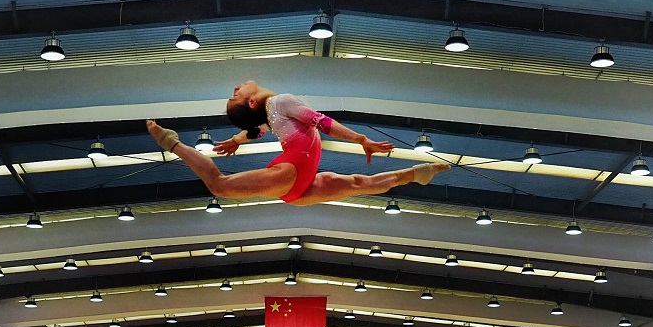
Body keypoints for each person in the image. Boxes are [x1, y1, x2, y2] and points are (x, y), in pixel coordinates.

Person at [146, 81, 451, 206]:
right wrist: (361, 139)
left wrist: (238, 139)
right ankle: (171, 141)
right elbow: (322, 122)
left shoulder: (271, 114)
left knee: (362, 184)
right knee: (219, 185)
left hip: (300, 186)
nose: (236, 87)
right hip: (291, 172)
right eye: (235, 94)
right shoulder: (282, 102)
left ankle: (416, 173)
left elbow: (257, 130)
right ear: (251, 102)